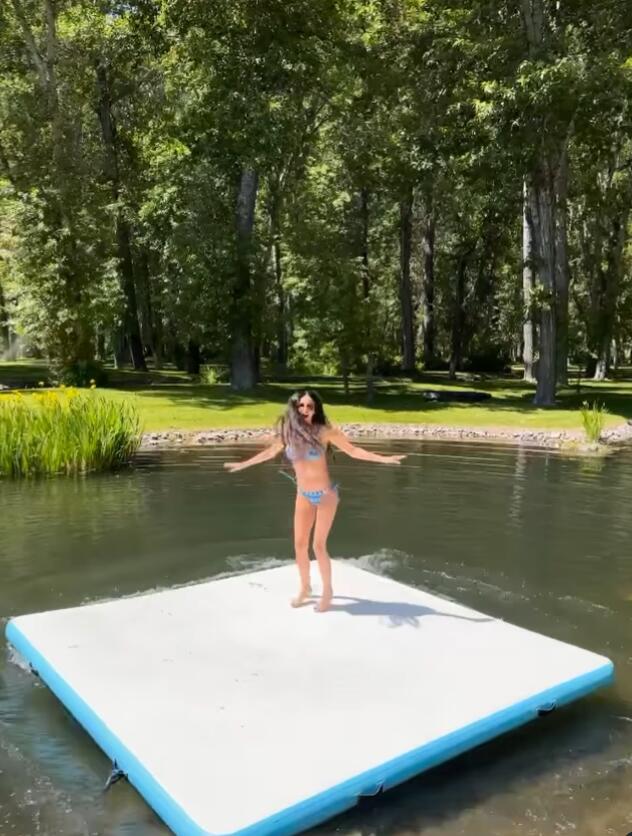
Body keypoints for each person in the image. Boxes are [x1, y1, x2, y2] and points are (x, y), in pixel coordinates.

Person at [223, 389, 406, 612]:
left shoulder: (324, 431)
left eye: (310, 406)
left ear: (316, 409)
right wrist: (243, 464)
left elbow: (353, 451)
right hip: (303, 494)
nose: (305, 410)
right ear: (295, 408)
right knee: (299, 545)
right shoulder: (288, 433)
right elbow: (269, 453)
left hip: (326, 495)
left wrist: (384, 459)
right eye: (301, 406)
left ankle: (327, 591)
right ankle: (305, 588)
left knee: (318, 546)